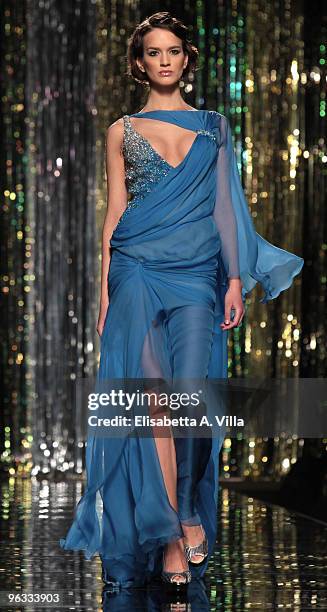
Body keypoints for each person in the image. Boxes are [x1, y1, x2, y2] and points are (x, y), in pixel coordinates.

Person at [59, 11, 304, 589]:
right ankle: (172, 533)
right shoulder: (122, 129)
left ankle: (189, 511)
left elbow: (226, 207)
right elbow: (114, 213)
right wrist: (104, 293)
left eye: (172, 50)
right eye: (152, 52)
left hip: (197, 274)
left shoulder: (215, 126)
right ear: (139, 62)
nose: (164, 60)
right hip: (136, 271)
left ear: (187, 59)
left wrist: (236, 279)